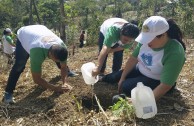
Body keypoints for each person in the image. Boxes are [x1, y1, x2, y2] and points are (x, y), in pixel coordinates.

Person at [102, 16, 186, 101]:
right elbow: (133, 58)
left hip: (155, 78)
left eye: (149, 39)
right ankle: (101, 79)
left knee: (126, 86)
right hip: (140, 69)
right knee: (115, 76)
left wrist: (144, 102)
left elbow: (165, 85)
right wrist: (122, 77)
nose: (146, 42)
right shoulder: (145, 42)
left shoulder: (174, 52)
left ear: (163, 35)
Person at [2, 25, 74, 104]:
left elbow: (63, 66)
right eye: (57, 60)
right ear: (50, 54)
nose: (60, 62)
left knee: (61, 60)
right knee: (19, 65)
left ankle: (68, 72)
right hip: (24, 35)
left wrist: (65, 83)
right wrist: (55, 88)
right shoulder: (37, 52)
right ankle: (8, 93)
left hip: (40, 29)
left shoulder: (62, 46)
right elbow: (36, 79)